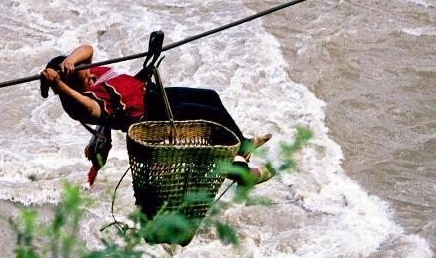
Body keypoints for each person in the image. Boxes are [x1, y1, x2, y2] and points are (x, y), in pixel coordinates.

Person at [40, 44, 273, 185]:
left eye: (88, 71)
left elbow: (87, 49)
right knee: (210, 117)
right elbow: (86, 107)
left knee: (210, 96)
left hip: (151, 93)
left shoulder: (85, 72)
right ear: (71, 86)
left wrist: (70, 61)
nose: (91, 75)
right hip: (150, 116)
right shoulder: (80, 104)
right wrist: (58, 85)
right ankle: (245, 176)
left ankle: (243, 146)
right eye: (85, 78)